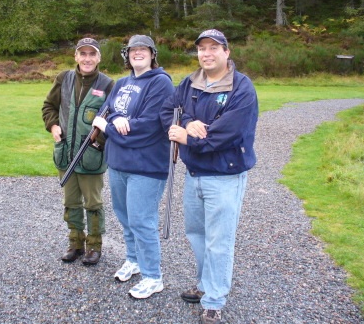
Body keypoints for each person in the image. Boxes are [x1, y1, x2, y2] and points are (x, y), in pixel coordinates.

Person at [160, 29, 258, 324]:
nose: (207, 53)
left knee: (220, 240)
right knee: (197, 235)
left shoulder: (242, 87)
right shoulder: (189, 83)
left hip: (225, 176)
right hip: (194, 174)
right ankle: (205, 285)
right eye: (202, 48)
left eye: (214, 48)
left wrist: (190, 139)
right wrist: (188, 123)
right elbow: (170, 109)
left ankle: (214, 300)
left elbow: (231, 131)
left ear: (227, 52)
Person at [92, 35, 175, 299]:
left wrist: (110, 127)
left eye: (143, 50)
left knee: (142, 221)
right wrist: (115, 120)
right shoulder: (122, 83)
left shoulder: (161, 83)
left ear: (152, 54)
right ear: (126, 55)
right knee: (125, 217)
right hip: (118, 163)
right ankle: (133, 260)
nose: (137, 53)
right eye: (133, 50)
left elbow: (149, 127)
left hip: (146, 166)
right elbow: (107, 111)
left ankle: (153, 277)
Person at [42, 38, 114, 265]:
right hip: (66, 154)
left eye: (92, 54)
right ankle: (75, 242)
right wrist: (53, 126)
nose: (87, 58)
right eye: (82, 54)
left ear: (99, 58)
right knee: (71, 202)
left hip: (91, 156)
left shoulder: (108, 84)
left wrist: (98, 142)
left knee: (93, 203)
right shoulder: (64, 79)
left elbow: (113, 117)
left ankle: (94, 246)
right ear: (76, 57)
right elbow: (49, 107)